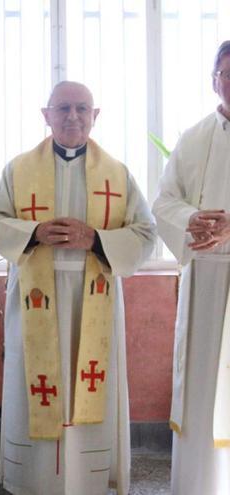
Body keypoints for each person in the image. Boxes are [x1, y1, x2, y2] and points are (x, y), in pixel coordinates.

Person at [0, 81, 156, 495]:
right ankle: (35, 479)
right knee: (37, 390)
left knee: (88, 385)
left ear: (96, 115)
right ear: (46, 115)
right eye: (63, 108)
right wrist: (34, 231)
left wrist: (95, 239)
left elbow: (146, 234)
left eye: (83, 108)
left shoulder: (117, 173)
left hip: (91, 295)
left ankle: (87, 480)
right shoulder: (18, 168)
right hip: (35, 296)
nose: (73, 116)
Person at [153, 40, 230, 495]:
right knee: (202, 387)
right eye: (227, 73)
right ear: (213, 81)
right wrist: (191, 220)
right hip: (204, 276)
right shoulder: (194, 138)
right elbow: (164, 200)